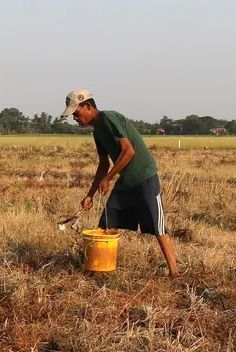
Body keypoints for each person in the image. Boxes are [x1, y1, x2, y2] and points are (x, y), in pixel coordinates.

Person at [60, 89, 180, 277]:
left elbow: (129, 151)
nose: (75, 117)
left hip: (144, 177)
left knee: (158, 226)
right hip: (126, 181)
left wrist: (108, 179)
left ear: (88, 106)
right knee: (106, 222)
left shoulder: (108, 118)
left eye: (76, 112)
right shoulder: (97, 132)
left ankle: (175, 273)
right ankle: (97, 267)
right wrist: (90, 194)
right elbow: (103, 165)